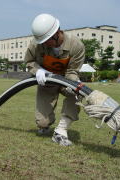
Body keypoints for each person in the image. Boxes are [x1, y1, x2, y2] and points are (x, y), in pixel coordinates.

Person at [25, 13, 85, 146]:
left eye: (48, 40)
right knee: (42, 122)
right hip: (46, 81)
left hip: (66, 79)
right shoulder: (36, 44)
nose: (45, 44)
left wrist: (74, 84)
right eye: (43, 41)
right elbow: (29, 62)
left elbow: (72, 70)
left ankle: (61, 130)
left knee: (76, 93)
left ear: (57, 33)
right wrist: (38, 70)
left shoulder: (76, 45)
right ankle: (45, 126)